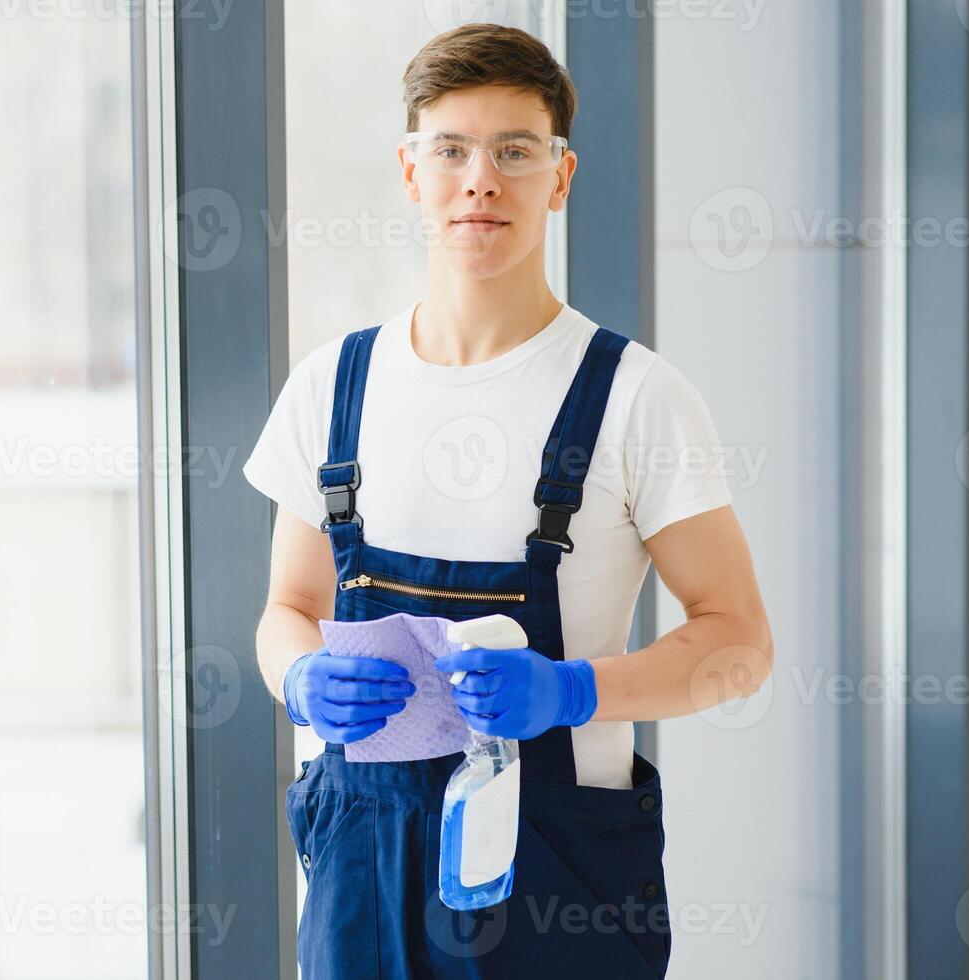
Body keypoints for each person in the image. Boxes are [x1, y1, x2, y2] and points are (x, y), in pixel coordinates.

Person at [241, 22, 774, 980]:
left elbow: (739, 647)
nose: (480, 180)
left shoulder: (637, 397)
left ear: (560, 177)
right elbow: (288, 610)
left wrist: (575, 691)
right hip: (363, 872)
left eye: (515, 152)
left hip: (559, 884)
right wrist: (298, 680)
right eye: (450, 149)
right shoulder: (332, 387)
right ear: (411, 173)